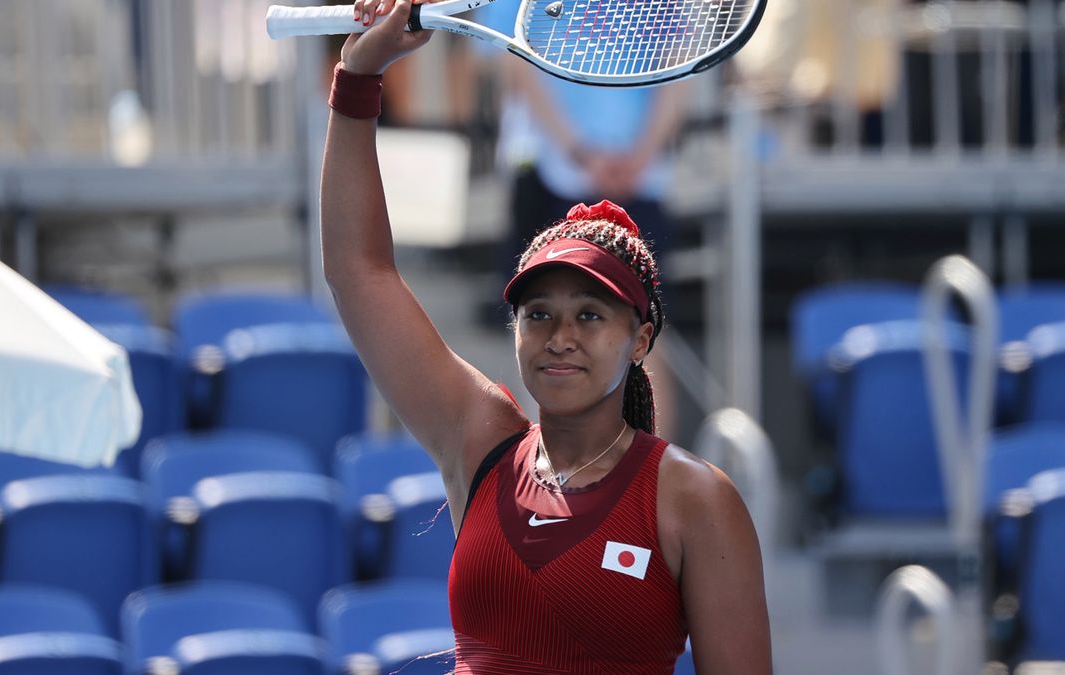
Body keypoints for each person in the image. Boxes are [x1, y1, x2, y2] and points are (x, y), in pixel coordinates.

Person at [322, 1, 773, 672]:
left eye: (591, 314)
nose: (560, 335)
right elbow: (360, 272)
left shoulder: (694, 499)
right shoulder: (478, 440)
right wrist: (358, 75)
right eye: (538, 313)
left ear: (641, 339)